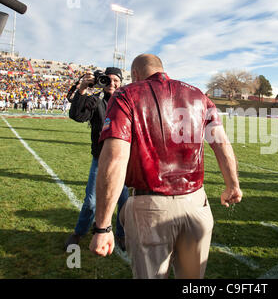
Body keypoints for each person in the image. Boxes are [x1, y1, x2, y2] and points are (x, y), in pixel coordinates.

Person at [89, 54, 243, 279]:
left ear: (136, 75)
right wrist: (233, 185)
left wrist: (102, 227)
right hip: (197, 204)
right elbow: (221, 144)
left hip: (150, 206)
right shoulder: (198, 95)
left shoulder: (127, 94)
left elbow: (114, 160)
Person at [64, 67, 129, 251]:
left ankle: (122, 234)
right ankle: (79, 231)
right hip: (100, 158)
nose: (112, 84)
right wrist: (82, 89)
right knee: (91, 201)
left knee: (123, 200)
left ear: (121, 82)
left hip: (121, 160)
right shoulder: (96, 99)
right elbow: (77, 115)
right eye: (108, 80)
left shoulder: (126, 101)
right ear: (102, 80)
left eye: (116, 80)